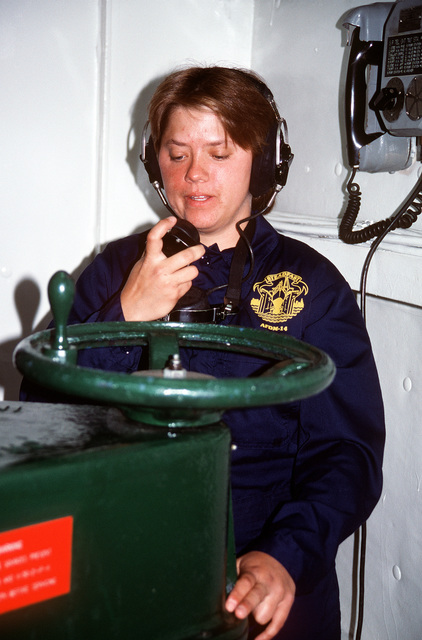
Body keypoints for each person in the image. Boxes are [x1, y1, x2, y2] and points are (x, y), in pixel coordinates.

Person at [21, 66, 385, 639]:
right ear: (153, 162)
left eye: (219, 152)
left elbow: (348, 452)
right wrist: (125, 314)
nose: (195, 175)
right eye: (176, 153)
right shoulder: (117, 269)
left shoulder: (311, 285)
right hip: (128, 560)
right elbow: (40, 414)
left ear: (262, 163)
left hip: (267, 571)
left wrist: (284, 556)